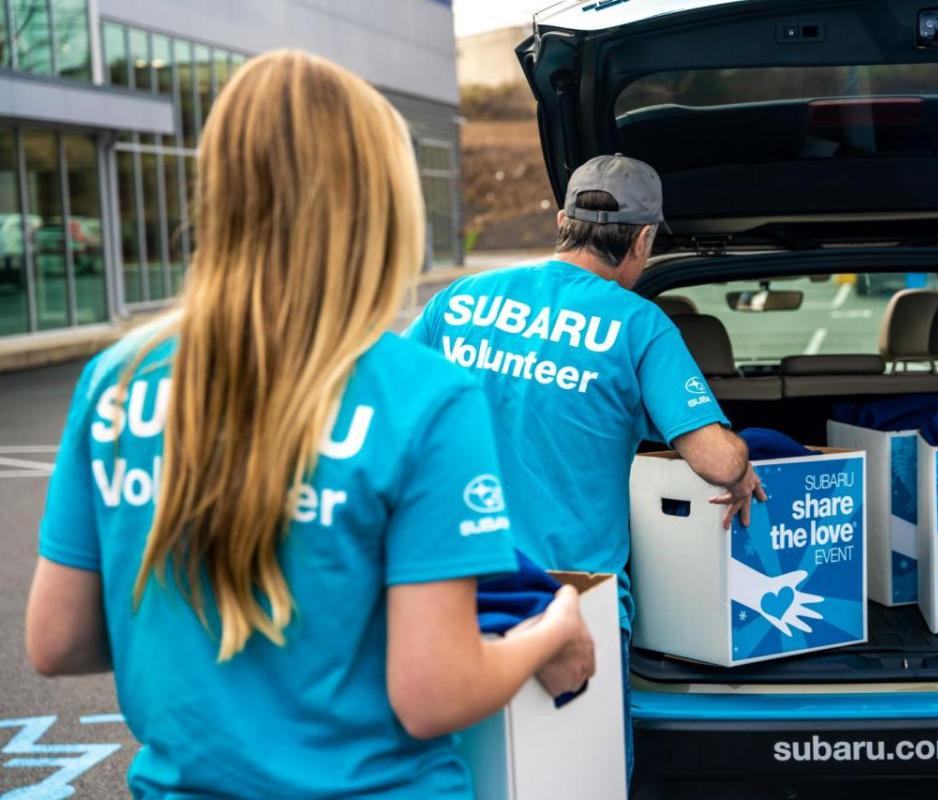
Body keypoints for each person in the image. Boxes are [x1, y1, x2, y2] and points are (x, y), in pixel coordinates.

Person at [24, 50, 593, 799]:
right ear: (381, 204)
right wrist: (556, 631)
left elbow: (58, 641)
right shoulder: (424, 397)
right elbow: (436, 694)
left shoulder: (118, 380)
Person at [406, 154, 765, 779]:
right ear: (644, 239)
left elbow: (394, 413)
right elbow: (712, 457)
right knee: (574, 780)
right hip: (571, 603)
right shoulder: (639, 325)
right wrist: (740, 472)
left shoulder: (461, 300)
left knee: (472, 776)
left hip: (452, 587)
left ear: (563, 219)